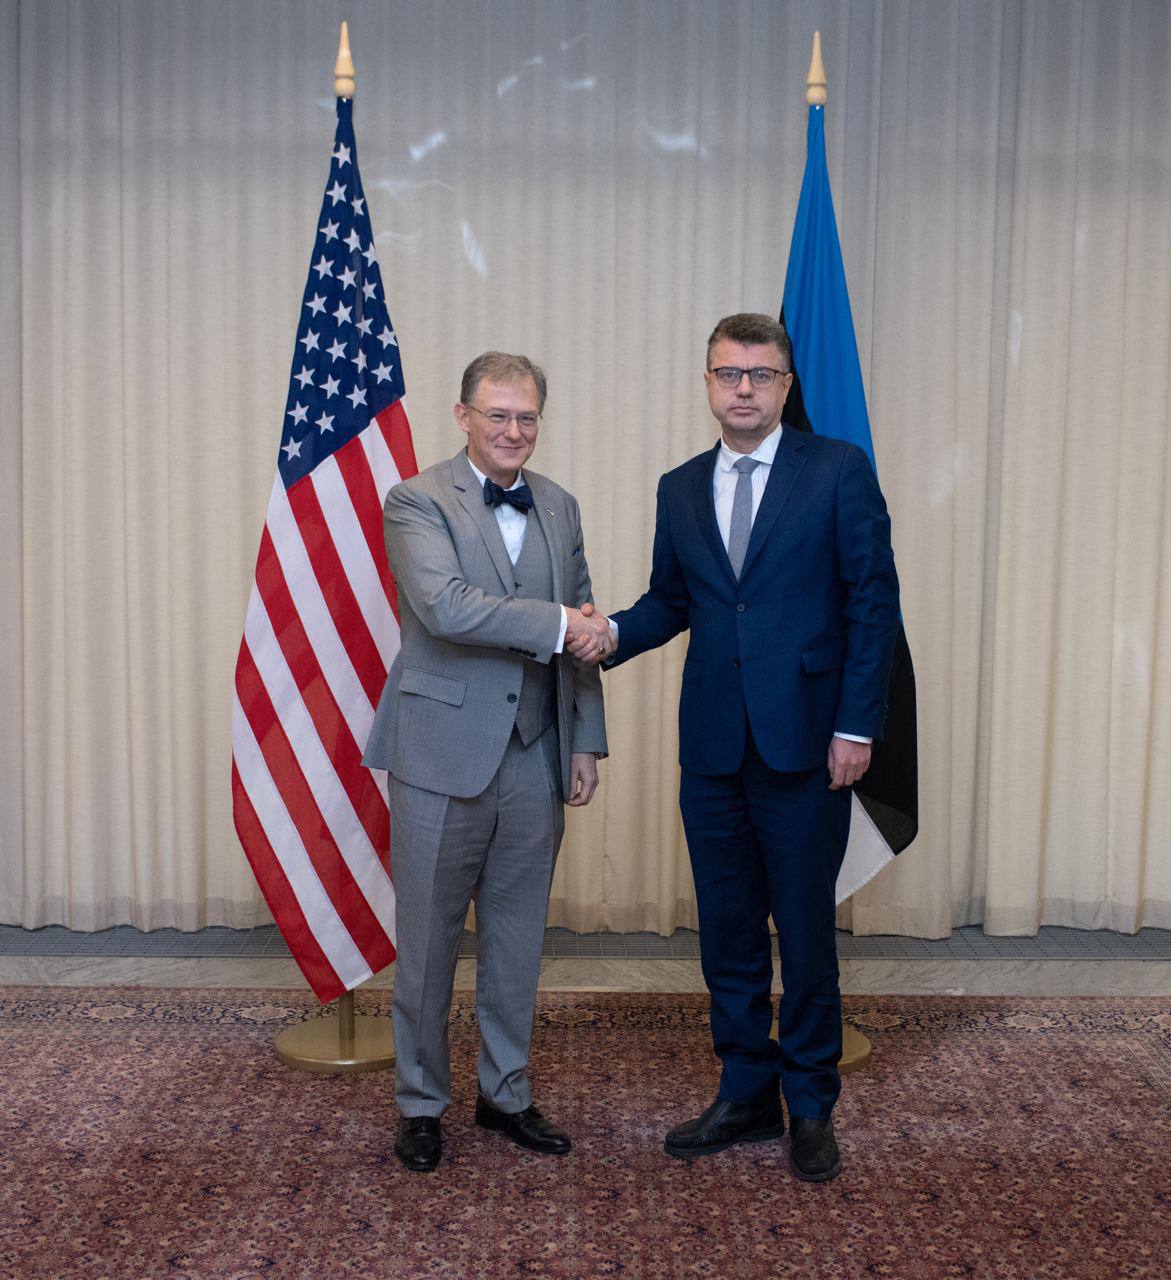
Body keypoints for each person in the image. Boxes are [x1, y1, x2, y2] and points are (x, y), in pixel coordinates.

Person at [574, 313, 899, 1181]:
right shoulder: (680, 487)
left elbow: (872, 603)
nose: (743, 388)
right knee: (726, 933)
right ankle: (745, 1092)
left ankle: (811, 1105)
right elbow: (671, 600)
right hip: (713, 750)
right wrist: (610, 633)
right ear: (708, 383)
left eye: (760, 374)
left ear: (785, 385)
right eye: (728, 373)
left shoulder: (836, 469)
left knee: (805, 935)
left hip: (809, 747)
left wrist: (855, 727)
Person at [363, 351, 607, 1173]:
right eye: (497, 414)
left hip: (536, 754)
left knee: (516, 941)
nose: (512, 430)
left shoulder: (560, 505)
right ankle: (419, 1104)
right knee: (428, 944)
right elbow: (445, 607)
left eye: (526, 416)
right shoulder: (416, 499)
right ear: (462, 414)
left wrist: (585, 738)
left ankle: (505, 1094)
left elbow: (583, 629)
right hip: (439, 755)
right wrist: (562, 624)